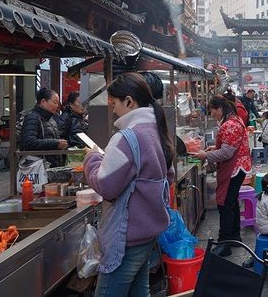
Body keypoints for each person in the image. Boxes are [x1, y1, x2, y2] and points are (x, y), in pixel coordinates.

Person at [84, 73, 174, 297]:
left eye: (114, 103)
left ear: (129, 101)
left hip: (126, 239)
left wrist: (92, 158)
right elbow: (168, 174)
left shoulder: (126, 137)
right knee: (138, 291)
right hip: (147, 234)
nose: (113, 109)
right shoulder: (156, 130)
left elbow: (106, 186)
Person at [189, 95, 252, 256]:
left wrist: (206, 155)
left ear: (220, 108)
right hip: (238, 167)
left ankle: (224, 244)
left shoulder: (230, 124)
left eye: (212, 111)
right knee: (231, 203)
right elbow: (226, 147)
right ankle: (234, 236)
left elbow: (226, 152)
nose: (212, 115)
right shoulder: (234, 120)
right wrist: (212, 150)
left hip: (234, 168)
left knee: (224, 204)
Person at [20, 88, 68, 167]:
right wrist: (55, 143)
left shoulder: (52, 118)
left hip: (51, 165)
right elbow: (29, 142)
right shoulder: (32, 118)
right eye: (54, 102)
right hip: (38, 166)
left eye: (58, 103)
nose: (57, 106)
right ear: (43, 102)